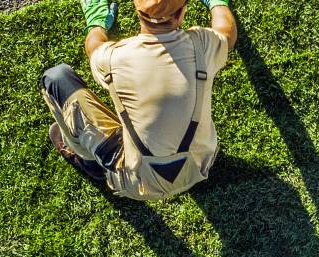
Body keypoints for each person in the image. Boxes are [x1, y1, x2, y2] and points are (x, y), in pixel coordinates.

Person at [41, 0, 237, 200]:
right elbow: (227, 31)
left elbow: (93, 45)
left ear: (137, 10)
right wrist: (216, 3)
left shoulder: (112, 57)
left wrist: (96, 22)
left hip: (138, 183)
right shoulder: (202, 46)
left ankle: (90, 164)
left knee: (56, 78)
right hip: (200, 164)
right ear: (180, 15)